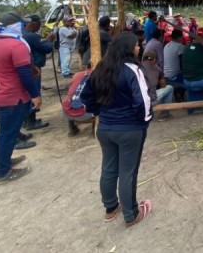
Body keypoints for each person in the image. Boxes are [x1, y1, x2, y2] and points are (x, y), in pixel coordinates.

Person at [80, 31, 153, 227]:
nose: (139, 47)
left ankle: (111, 207)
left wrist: (99, 112)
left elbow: (85, 97)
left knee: (109, 168)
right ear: (129, 48)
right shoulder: (132, 70)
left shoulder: (100, 69)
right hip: (130, 129)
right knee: (128, 171)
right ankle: (131, 214)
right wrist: (144, 121)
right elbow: (143, 101)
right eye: (137, 45)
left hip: (105, 128)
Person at [0, 12, 41, 185]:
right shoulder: (16, 45)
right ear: (13, 27)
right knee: (7, 133)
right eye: (20, 25)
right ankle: (2, 172)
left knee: (6, 131)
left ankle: (4, 160)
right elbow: (24, 74)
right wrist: (35, 95)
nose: (22, 28)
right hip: (13, 97)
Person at [22, 14, 54, 130]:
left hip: (26, 69)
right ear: (32, 24)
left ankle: (26, 120)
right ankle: (31, 121)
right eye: (39, 23)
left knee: (26, 95)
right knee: (33, 93)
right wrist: (49, 41)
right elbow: (47, 48)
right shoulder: (31, 36)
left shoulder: (22, 34)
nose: (40, 25)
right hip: (33, 70)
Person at [182, 28, 203, 113]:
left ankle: (192, 107)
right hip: (200, 81)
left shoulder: (186, 48)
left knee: (192, 92)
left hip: (186, 81)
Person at [61, 64, 95, 136]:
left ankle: (72, 129)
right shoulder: (100, 75)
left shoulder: (77, 75)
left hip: (67, 112)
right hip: (86, 113)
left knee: (70, 99)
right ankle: (94, 130)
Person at [141, 51, 174, 121]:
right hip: (150, 101)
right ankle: (164, 115)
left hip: (138, 101)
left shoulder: (138, 67)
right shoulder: (157, 68)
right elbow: (163, 85)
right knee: (169, 88)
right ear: (154, 59)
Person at [163, 28, 185, 102]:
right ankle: (180, 95)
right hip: (174, 75)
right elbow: (182, 63)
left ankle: (177, 94)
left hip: (165, 75)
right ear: (179, 37)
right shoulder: (180, 46)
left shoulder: (166, 46)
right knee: (187, 75)